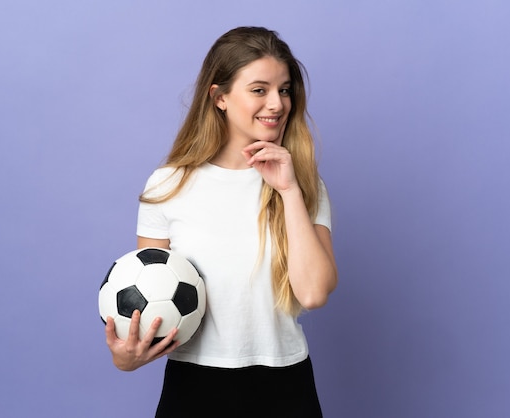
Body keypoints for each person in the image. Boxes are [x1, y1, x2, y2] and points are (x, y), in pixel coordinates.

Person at [105, 26, 338, 417]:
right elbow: (148, 305)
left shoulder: (303, 184)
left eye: (284, 89)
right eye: (259, 89)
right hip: (195, 386)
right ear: (220, 98)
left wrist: (290, 191)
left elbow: (313, 294)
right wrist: (126, 358)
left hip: (285, 384)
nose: (278, 104)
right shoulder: (168, 185)